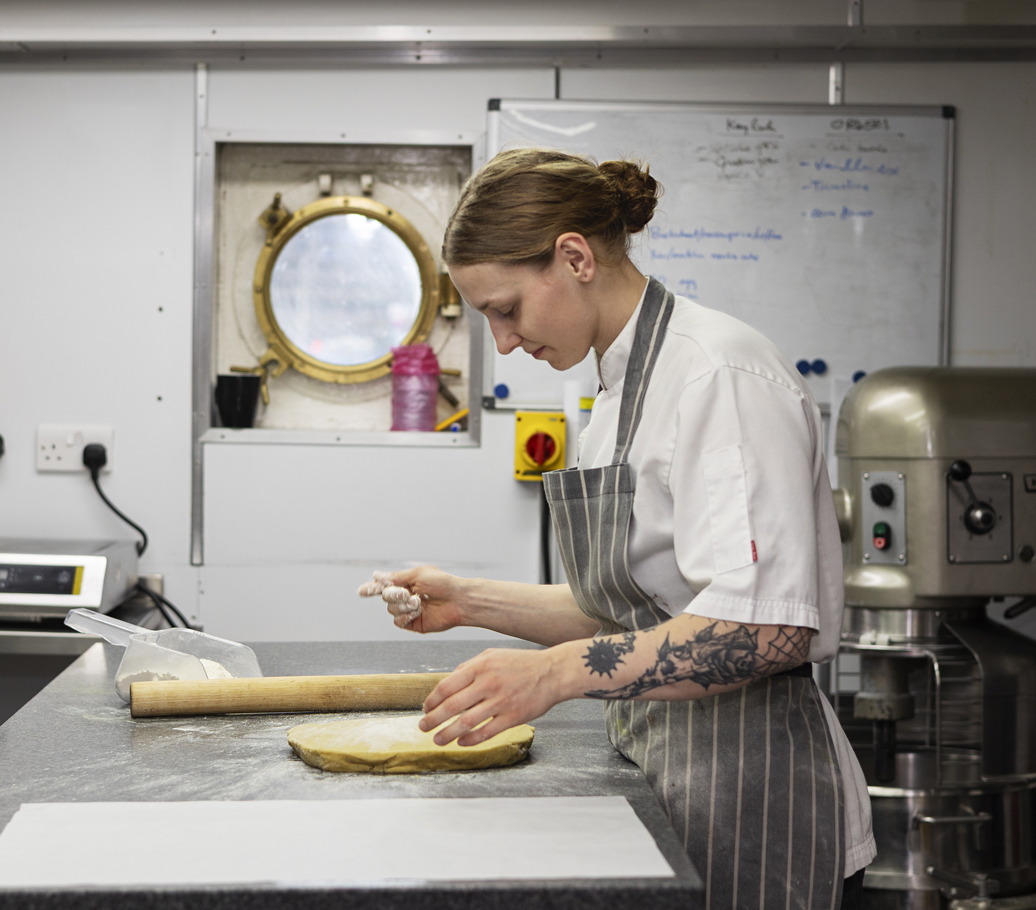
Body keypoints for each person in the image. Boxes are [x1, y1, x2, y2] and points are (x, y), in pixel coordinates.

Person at [359, 148, 875, 910]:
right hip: (672, 774)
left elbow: (765, 630)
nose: (503, 342)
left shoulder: (717, 375)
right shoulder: (618, 389)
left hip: (757, 792)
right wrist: (466, 599)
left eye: (507, 309)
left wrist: (554, 674)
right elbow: (635, 610)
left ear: (575, 258)